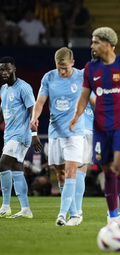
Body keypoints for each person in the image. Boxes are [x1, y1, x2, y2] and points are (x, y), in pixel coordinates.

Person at [69, 27, 120, 231]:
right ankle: (112, 217)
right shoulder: (90, 68)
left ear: (108, 44)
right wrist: (77, 115)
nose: (92, 46)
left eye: (95, 42)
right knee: (108, 170)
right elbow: (84, 96)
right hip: (101, 128)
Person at [30, 47, 85, 226]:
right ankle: (74, 213)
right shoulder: (48, 77)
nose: (62, 71)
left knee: (71, 171)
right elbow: (40, 101)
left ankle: (63, 215)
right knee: (60, 175)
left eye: (65, 68)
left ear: (73, 63)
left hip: (75, 133)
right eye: (59, 67)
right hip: (55, 133)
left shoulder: (82, 76)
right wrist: (34, 117)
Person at [0, 56, 42, 218]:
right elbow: (3, 112)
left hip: (20, 135)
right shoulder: (3, 89)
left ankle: (5, 205)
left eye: (7, 69)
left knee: (3, 164)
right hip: (9, 134)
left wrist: (34, 134)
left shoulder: (24, 88)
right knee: (17, 169)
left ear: (14, 69)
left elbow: (33, 111)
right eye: (2, 69)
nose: (4, 72)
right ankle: (26, 209)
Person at [76, 90, 96, 222]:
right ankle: (114, 212)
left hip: (87, 130)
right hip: (91, 130)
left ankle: (77, 210)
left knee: (79, 169)